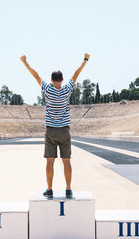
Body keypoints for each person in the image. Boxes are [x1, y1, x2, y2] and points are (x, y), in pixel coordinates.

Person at [20, 53, 90, 198]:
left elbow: (36, 75)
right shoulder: (67, 90)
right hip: (64, 130)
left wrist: (25, 62)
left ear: (51, 80)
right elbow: (76, 74)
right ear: (62, 80)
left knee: (50, 162)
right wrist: (85, 60)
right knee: (67, 162)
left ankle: (50, 189)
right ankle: (68, 189)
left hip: (51, 131)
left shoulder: (47, 89)